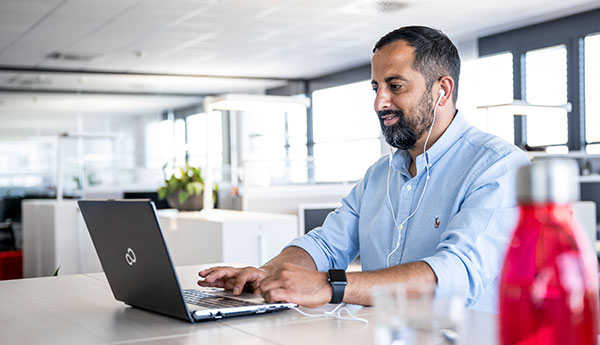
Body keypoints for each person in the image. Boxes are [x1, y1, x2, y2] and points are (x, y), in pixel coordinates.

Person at [198, 26, 530, 312]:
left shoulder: (499, 167)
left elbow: (456, 273)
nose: (379, 102)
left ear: (442, 90)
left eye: (395, 86)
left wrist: (332, 286)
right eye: (376, 87)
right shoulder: (379, 175)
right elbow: (326, 245)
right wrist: (267, 273)